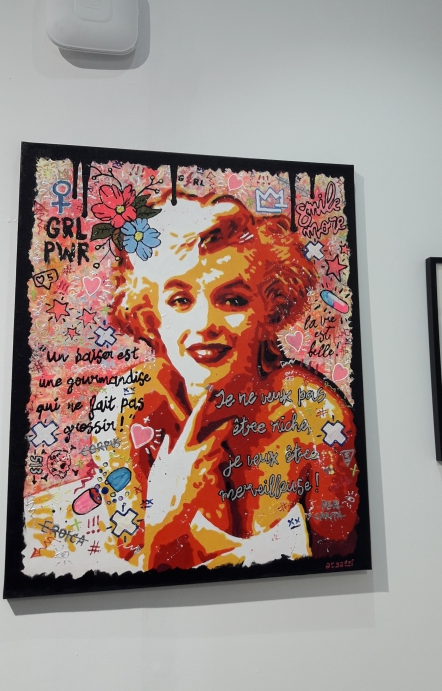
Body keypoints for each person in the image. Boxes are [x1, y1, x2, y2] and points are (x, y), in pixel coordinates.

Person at [98, 190, 359, 572]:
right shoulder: (124, 409)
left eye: (234, 300)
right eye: (180, 300)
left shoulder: (315, 415)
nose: (206, 324)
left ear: (269, 309)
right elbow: (131, 580)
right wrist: (170, 516)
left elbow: (342, 566)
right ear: (150, 315)